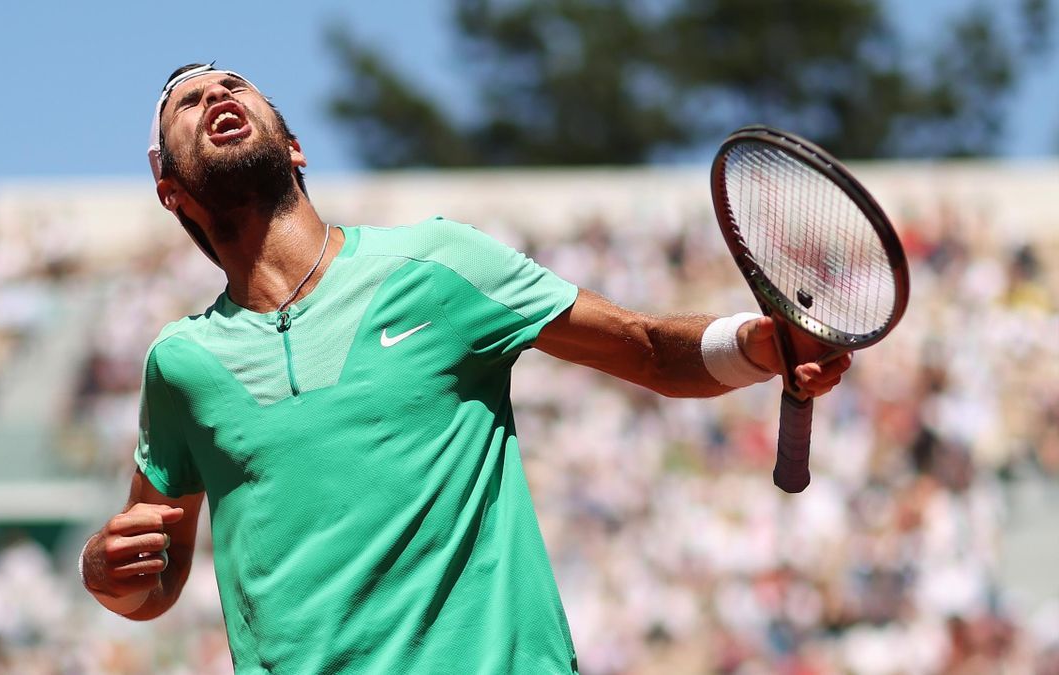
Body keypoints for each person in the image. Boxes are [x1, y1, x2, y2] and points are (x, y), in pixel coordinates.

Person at [79, 62, 852, 673]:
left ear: (293, 147)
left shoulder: (442, 261)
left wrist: (761, 345)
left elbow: (645, 347)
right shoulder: (180, 363)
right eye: (189, 102)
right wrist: (105, 574)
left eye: (235, 85)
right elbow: (155, 575)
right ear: (170, 191)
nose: (218, 93)